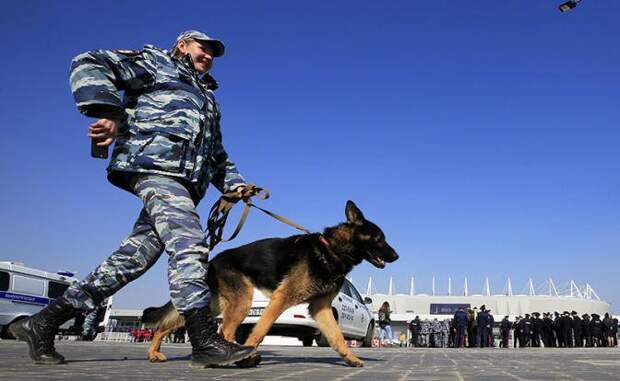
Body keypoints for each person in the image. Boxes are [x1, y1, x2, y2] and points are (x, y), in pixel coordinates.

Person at [9, 30, 256, 367]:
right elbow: (90, 61)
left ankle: (44, 323)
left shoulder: (207, 98)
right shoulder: (155, 63)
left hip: (185, 184)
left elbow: (216, 153)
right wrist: (107, 111)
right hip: (155, 169)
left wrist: (237, 185)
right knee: (188, 241)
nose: (209, 56)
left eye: (214, 53)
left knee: (132, 260)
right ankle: (204, 340)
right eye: (204, 48)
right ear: (183, 44)